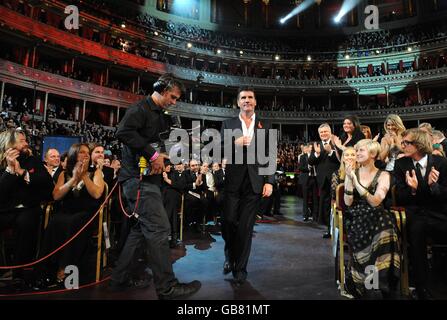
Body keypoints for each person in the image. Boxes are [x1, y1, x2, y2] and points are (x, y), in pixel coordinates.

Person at [109, 73, 201, 299]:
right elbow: (123, 132)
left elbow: (160, 146)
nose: (174, 102)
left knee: (140, 231)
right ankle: (167, 287)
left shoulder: (162, 116)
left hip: (150, 181)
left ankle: (119, 278)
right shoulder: (140, 109)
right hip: (137, 181)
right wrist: (152, 154)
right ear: (160, 89)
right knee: (160, 229)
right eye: (172, 96)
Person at [220, 87, 275, 285]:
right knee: (228, 222)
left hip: (255, 182)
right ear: (238, 102)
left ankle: (240, 268)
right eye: (243, 97)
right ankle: (229, 255)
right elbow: (217, 150)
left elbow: (270, 155)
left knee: (245, 227)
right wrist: (235, 142)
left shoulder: (265, 126)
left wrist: (269, 181)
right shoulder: (228, 124)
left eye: (250, 97)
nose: (247, 100)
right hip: (232, 182)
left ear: (255, 102)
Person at [394, 128, 447, 299]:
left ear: (419, 144)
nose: (402, 145)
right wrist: (414, 191)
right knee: (417, 234)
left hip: (438, 213)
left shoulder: (441, 163)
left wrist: (433, 187)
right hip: (415, 214)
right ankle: (421, 286)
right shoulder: (401, 164)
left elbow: (444, 195)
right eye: (402, 142)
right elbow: (401, 197)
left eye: (406, 143)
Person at [344, 139, 400, 299]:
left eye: (361, 150)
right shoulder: (352, 173)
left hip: (377, 214)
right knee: (379, 224)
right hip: (358, 216)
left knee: (385, 225)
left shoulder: (384, 175)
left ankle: (379, 284)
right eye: (356, 151)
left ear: (373, 154)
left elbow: (376, 201)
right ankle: (369, 284)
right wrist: (349, 179)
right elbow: (348, 203)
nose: (357, 154)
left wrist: (356, 183)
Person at [0, 129, 53, 282]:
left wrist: (23, 173)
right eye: (22, 140)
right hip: (5, 209)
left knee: (26, 223)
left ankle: (18, 272)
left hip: (28, 207)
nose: (26, 143)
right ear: (9, 144)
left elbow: (48, 184)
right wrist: (10, 170)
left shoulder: (32, 160)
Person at [308, 124, 340, 238]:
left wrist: (331, 151)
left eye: (325, 131)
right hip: (322, 181)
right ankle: (329, 230)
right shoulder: (316, 145)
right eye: (321, 132)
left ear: (330, 131)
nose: (323, 134)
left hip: (336, 180)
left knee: (336, 205)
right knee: (326, 206)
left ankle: (338, 230)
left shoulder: (336, 142)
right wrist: (317, 153)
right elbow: (310, 161)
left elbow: (341, 160)